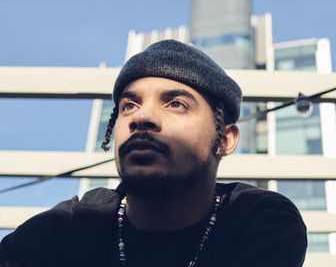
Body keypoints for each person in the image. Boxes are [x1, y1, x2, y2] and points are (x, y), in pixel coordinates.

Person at [0, 40, 307, 267]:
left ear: (224, 140)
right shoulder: (67, 228)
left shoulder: (257, 221)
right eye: (128, 106)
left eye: (176, 104)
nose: (140, 117)